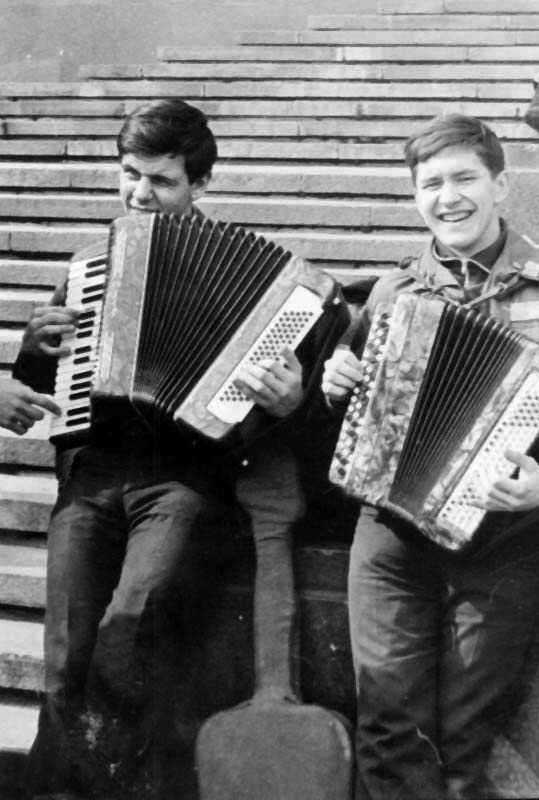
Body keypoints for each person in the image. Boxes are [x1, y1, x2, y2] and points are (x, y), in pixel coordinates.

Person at [13, 98, 348, 800]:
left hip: (187, 482)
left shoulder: (266, 285)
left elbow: (311, 421)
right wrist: (37, 350)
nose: (140, 193)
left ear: (200, 182)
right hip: (94, 475)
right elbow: (41, 387)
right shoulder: (89, 267)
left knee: (126, 630)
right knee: (65, 651)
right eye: (130, 174)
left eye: (162, 180)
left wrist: (290, 402)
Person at [321, 114, 539, 800]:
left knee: (463, 740)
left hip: (502, 534)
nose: (447, 198)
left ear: (500, 186)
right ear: (414, 196)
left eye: (464, 179)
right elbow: (358, 400)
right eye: (431, 184)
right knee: (387, 728)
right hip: (391, 531)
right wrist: (336, 384)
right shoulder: (394, 290)